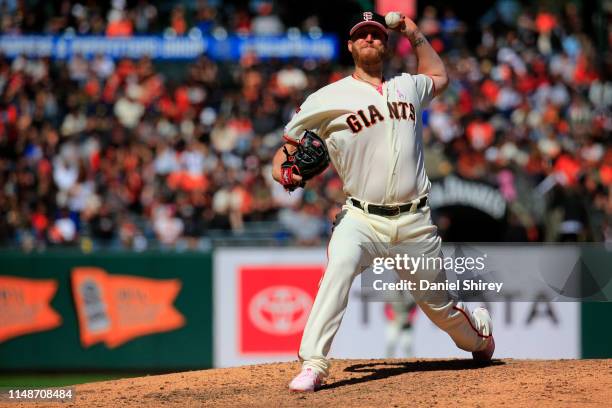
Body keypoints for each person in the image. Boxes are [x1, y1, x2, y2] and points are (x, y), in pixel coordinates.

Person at [272, 11, 495, 392]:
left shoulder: (407, 85)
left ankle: (479, 336)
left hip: (414, 222)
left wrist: (414, 32)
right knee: (339, 266)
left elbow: (440, 77)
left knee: (441, 311)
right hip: (361, 218)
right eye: (362, 36)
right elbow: (283, 155)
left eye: (376, 35)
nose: (369, 40)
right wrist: (287, 174)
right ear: (350, 46)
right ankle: (313, 363)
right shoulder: (326, 98)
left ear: (386, 44)